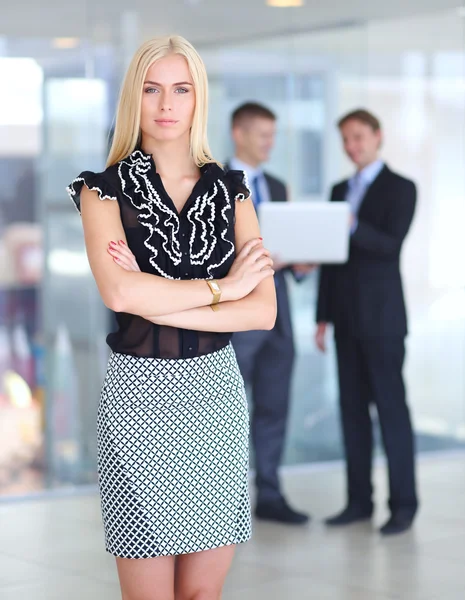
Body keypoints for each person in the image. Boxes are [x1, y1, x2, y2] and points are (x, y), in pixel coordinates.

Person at [66, 36, 276, 600]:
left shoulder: (231, 190)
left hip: (215, 397)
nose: (166, 104)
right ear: (133, 98)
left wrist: (159, 292)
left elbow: (261, 312)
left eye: (181, 89)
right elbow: (119, 295)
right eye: (152, 89)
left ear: (197, 98)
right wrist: (222, 288)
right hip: (138, 399)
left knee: (204, 594)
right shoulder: (100, 192)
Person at [315, 109, 418, 536]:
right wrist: (322, 316)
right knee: (352, 413)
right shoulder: (339, 189)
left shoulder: (401, 188)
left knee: (391, 413)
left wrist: (352, 224)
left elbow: (390, 246)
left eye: (358, 137)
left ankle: (404, 506)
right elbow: (329, 258)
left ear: (378, 136)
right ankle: (358, 501)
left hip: (383, 320)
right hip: (345, 320)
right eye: (345, 139)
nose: (351, 146)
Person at [226, 102, 312, 525]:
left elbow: (284, 240)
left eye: (273, 135)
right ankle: (225, 500)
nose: (270, 143)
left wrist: (298, 262)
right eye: (263, 134)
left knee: (274, 404)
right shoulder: (213, 183)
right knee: (229, 410)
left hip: (278, 316)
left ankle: (271, 494)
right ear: (238, 133)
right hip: (237, 316)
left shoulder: (277, 186)